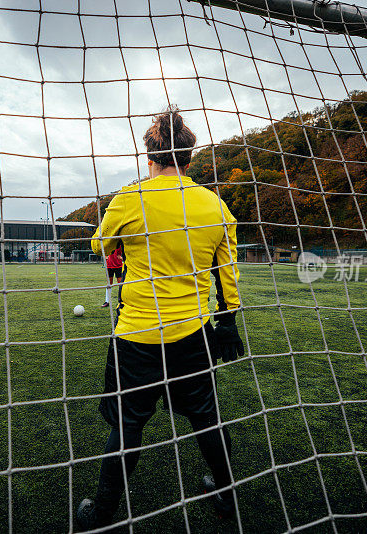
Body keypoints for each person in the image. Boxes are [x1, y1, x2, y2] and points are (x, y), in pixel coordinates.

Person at [77, 106, 244, 529]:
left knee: (128, 424)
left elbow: (100, 246)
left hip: (137, 335)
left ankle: (100, 514)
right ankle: (226, 497)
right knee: (206, 415)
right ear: (189, 159)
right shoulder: (216, 206)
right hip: (193, 333)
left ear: (148, 157)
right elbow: (227, 276)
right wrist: (228, 322)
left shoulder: (130, 198)